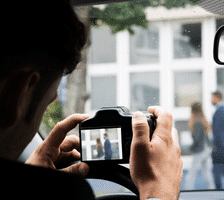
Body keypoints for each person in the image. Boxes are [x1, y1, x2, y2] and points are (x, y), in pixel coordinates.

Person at [0, 1, 183, 200]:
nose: (52, 103)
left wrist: (31, 185)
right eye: (48, 100)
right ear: (15, 95)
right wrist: (159, 192)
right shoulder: (70, 191)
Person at [185, 102, 214, 190]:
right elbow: (205, 137)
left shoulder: (196, 122)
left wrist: (191, 148)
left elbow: (197, 139)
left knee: (192, 172)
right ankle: (212, 188)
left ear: (192, 110)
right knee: (206, 170)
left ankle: (188, 190)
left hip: (200, 150)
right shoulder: (202, 120)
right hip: (206, 149)